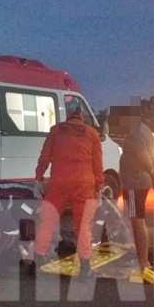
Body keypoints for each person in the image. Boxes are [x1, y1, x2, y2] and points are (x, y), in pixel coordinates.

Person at [32, 100, 104, 280]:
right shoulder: (92, 134)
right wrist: (100, 188)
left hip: (59, 181)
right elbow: (97, 164)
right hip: (84, 183)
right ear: (81, 115)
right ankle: (85, 268)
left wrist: (38, 179)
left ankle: (37, 261)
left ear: (67, 114)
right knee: (83, 225)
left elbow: (44, 156)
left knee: (47, 221)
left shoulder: (56, 131)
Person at [118, 118, 154, 283]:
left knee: (137, 222)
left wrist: (152, 176)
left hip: (134, 183)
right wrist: (153, 176)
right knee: (137, 221)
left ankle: (143, 264)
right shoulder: (145, 129)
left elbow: (144, 157)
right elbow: (153, 155)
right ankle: (143, 261)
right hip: (140, 181)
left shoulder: (133, 133)